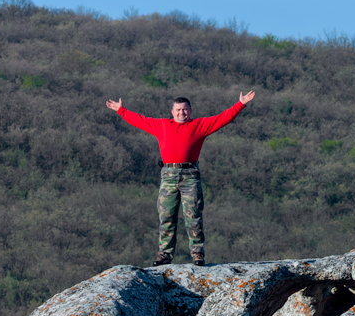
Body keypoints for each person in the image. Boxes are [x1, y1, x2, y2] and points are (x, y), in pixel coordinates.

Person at [106, 92, 255, 266]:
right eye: (178, 110)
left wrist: (240, 104)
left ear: (190, 111)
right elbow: (140, 120)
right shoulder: (161, 125)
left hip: (190, 175)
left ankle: (198, 254)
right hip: (168, 175)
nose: (181, 113)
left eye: (184, 109)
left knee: (193, 217)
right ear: (172, 111)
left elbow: (222, 119)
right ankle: (164, 255)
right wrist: (121, 110)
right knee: (166, 217)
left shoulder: (200, 125)